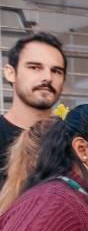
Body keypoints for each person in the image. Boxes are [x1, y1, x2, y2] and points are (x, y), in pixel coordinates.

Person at [2, 32, 66, 182]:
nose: (48, 78)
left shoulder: (73, 139)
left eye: (56, 71)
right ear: (11, 73)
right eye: (35, 67)